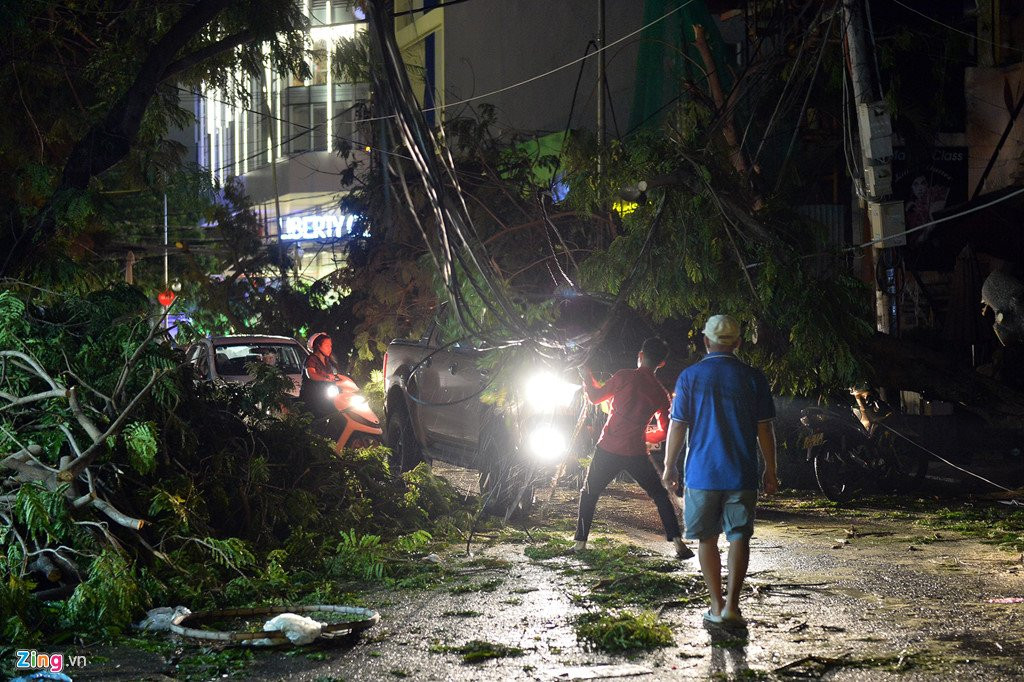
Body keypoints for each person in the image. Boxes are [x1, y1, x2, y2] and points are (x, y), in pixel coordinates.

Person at [662, 314, 777, 627]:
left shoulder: (690, 377)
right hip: (742, 472)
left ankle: (715, 605)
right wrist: (771, 470)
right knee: (740, 536)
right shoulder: (754, 377)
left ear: (706, 341)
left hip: (702, 474)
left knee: (707, 540)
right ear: (738, 343)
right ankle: (732, 608)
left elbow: (678, 425)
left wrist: (668, 464)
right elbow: (764, 429)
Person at [574, 337, 694, 560]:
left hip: (608, 447)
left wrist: (586, 376)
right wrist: (647, 435)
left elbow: (594, 397)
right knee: (659, 495)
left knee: (589, 493)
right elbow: (666, 430)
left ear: (640, 356)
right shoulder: (660, 393)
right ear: (661, 364)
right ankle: (679, 545)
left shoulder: (623, 376)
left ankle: (580, 544)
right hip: (636, 451)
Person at [300, 333, 344, 439]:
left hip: (325, 397)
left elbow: (335, 376)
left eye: (331, 346)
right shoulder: (311, 359)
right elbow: (311, 374)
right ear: (319, 346)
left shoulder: (328, 362)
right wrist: (326, 378)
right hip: (314, 399)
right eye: (327, 345)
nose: (330, 348)